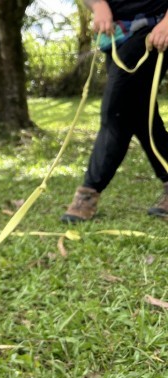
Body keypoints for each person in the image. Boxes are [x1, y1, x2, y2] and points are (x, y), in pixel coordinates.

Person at [61, 0, 168, 222]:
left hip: (154, 27)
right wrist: (99, 4)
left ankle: (88, 193)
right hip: (118, 34)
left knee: (116, 111)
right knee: (141, 114)